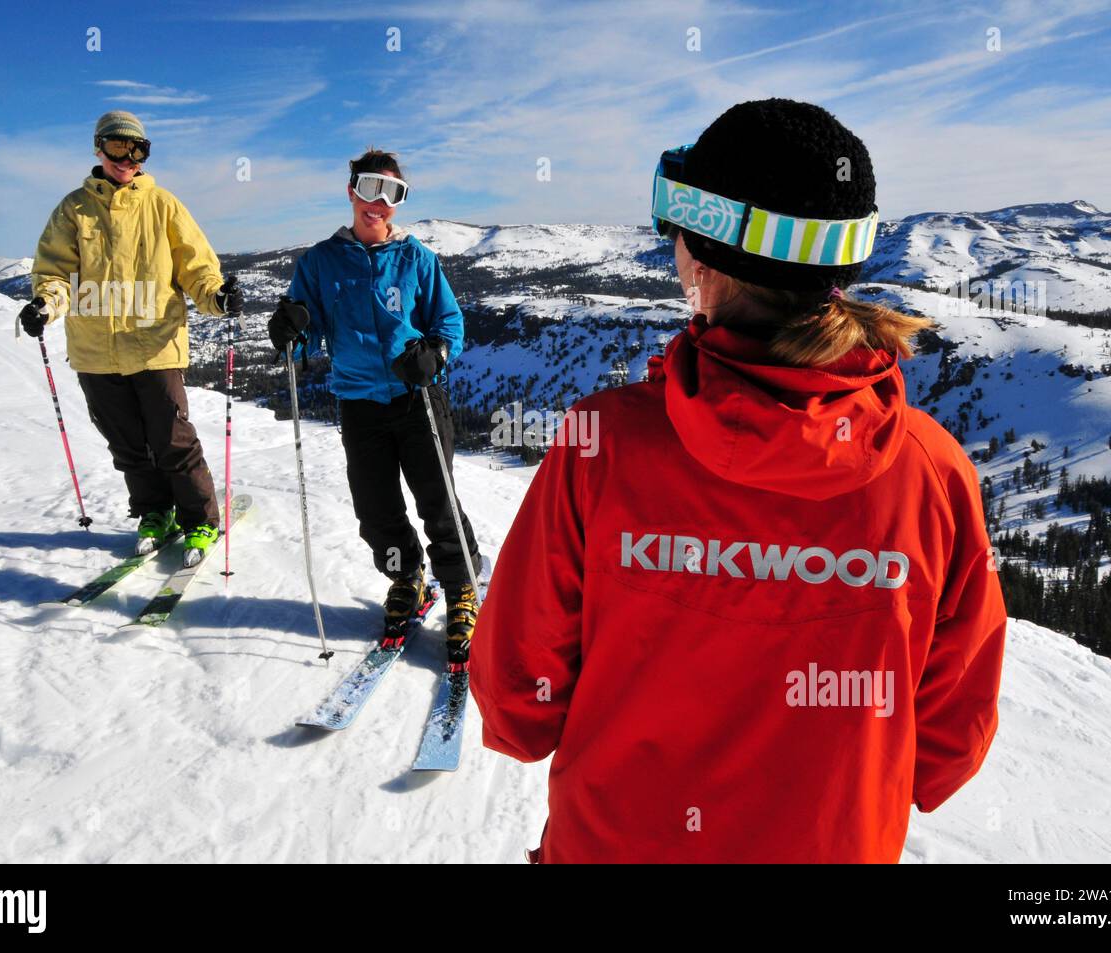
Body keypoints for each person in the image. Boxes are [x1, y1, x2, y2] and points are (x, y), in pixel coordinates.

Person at [469, 99, 1008, 863]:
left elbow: (517, 703)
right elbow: (949, 745)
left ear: (708, 260)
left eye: (678, 234)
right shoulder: (934, 472)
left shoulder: (603, 447)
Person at [267, 148, 482, 666]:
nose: (379, 203)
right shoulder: (319, 263)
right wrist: (290, 330)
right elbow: (307, 336)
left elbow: (449, 323)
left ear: (399, 203)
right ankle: (407, 577)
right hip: (359, 402)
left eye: (392, 194)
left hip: (417, 399)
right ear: (351, 192)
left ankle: (462, 591)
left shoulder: (417, 259)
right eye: (369, 188)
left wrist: (435, 355)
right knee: (376, 508)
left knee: (438, 500)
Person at [20, 111, 242, 566]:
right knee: (126, 443)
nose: (129, 158)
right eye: (119, 147)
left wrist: (217, 296)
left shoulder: (163, 205)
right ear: (99, 148)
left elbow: (196, 267)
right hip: (95, 351)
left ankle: (198, 517)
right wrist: (46, 304)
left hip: (155, 344)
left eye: (138, 149)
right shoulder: (73, 209)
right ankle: (155, 512)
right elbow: (55, 272)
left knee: (172, 437)